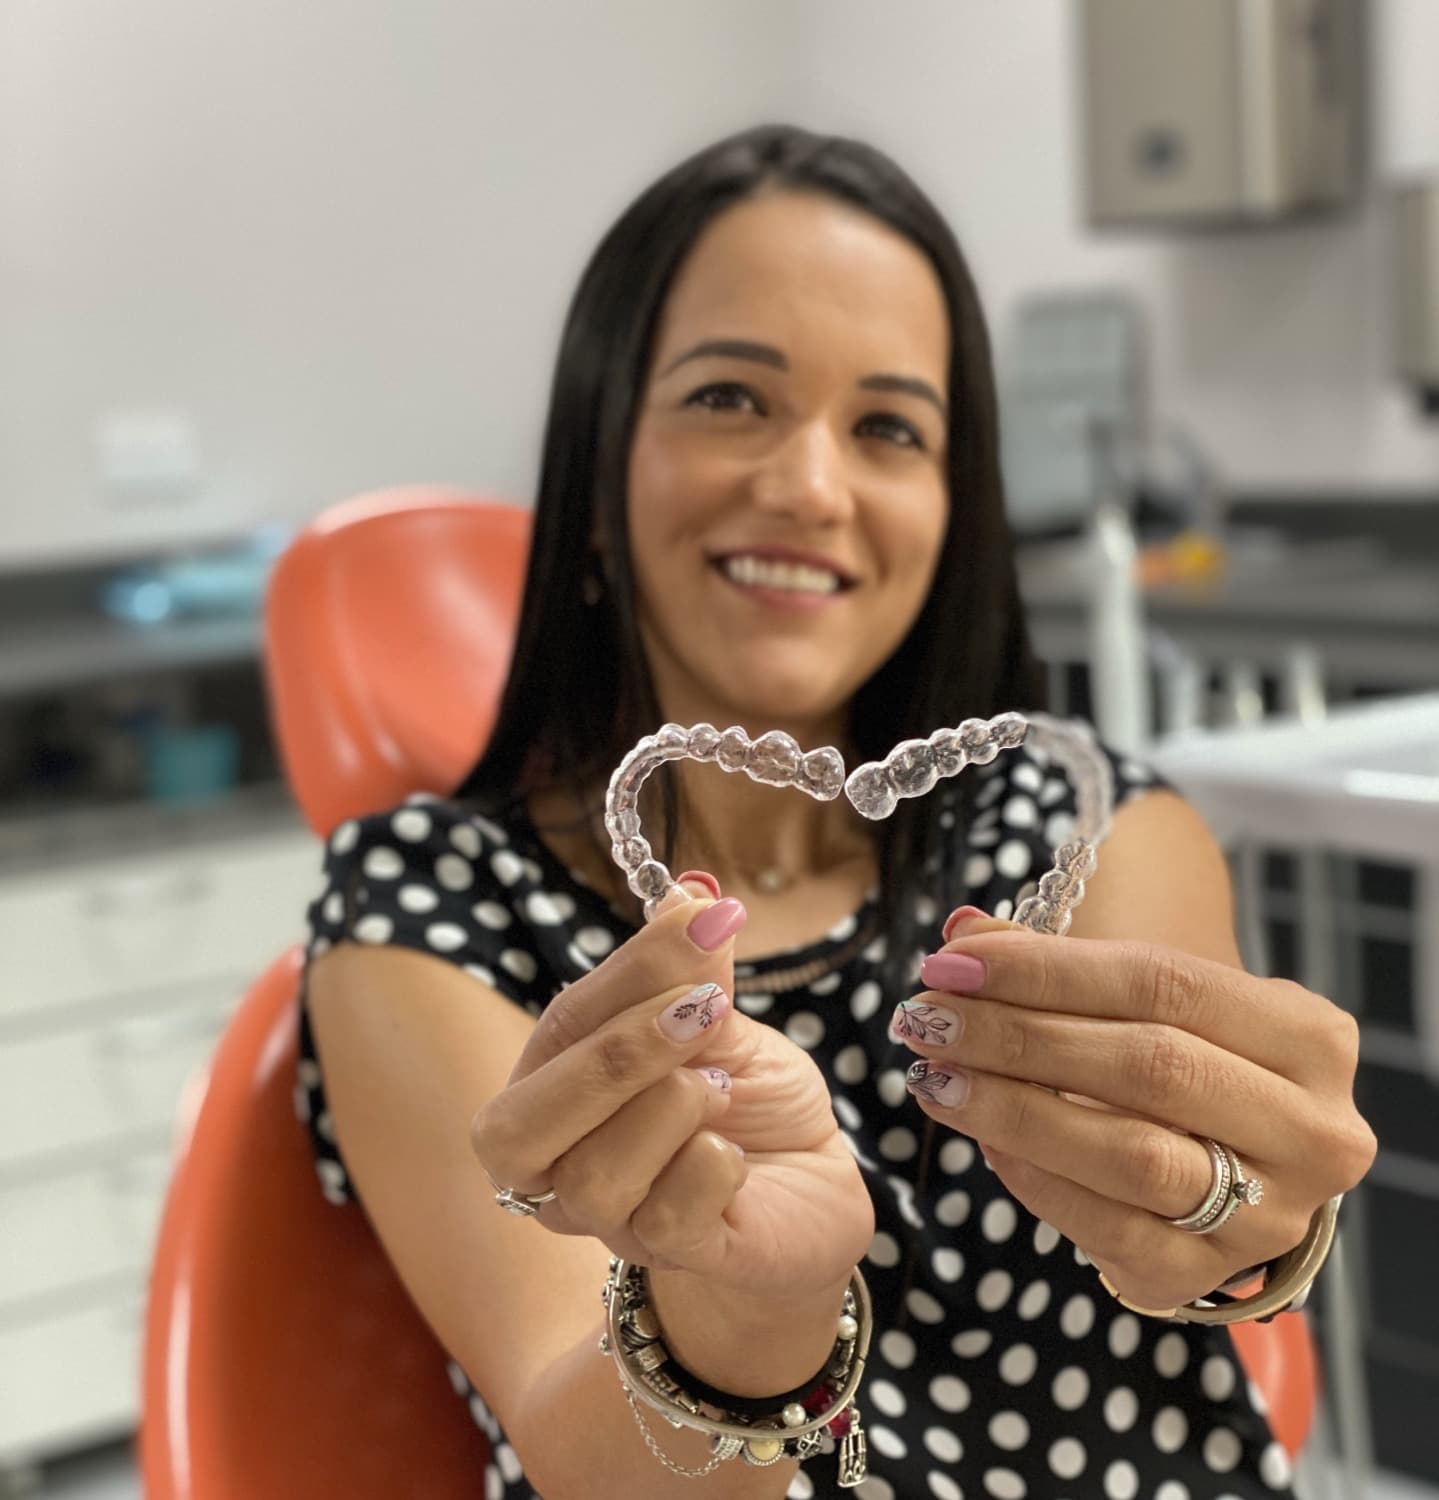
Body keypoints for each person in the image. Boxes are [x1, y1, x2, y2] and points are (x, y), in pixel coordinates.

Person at [299, 125, 1374, 1499]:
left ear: (950, 507)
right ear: (594, 475)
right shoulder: (424, 914)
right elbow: (590, 1456)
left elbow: (1211, 1267)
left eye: (887, 427)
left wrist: (1246, 1219)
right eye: (730, 400)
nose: (811, 487)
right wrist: (747, 1313)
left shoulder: (1082, 829)